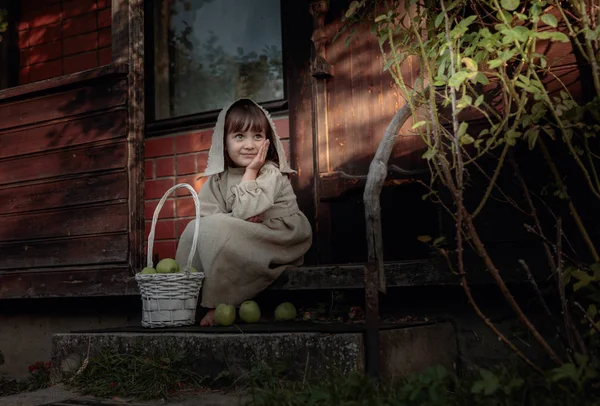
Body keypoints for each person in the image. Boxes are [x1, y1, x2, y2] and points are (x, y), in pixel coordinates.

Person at [175, 98, 313, 326]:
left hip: (280, 237)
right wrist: (234, 219)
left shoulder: (270, 173)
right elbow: (207, 216)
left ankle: (217, 304)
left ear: (267, 142)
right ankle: (182, 296)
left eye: (257, 137)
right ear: (224, 143)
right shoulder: (220, 178)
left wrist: (251, 171)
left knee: (218, 230)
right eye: (240, 136)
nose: (249, 144)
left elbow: (244, 211)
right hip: (248, 235)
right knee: (195, 229)